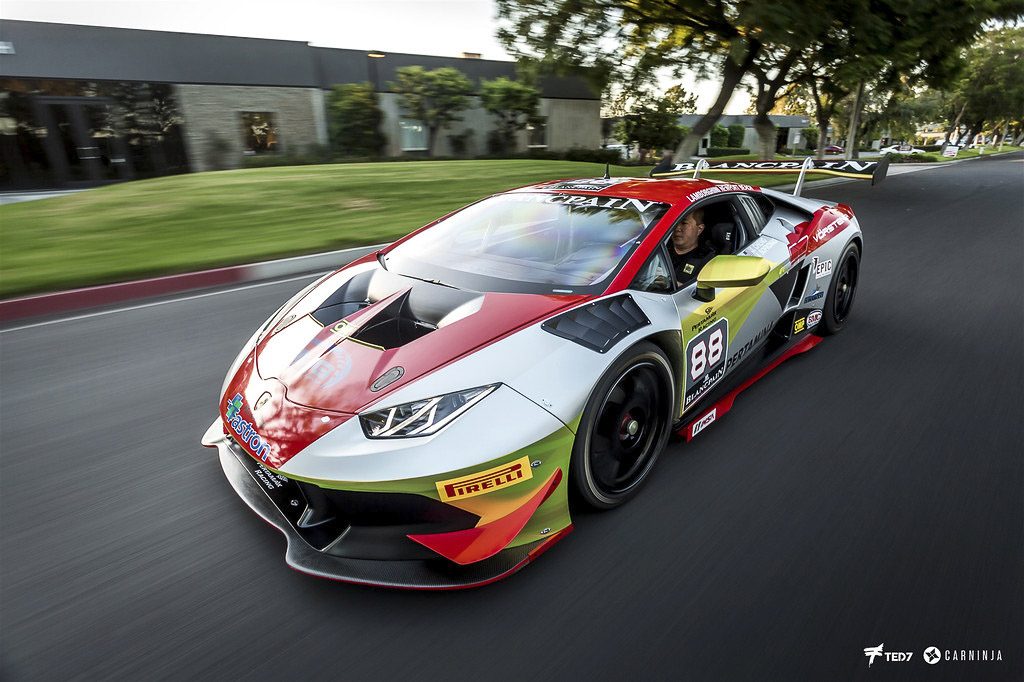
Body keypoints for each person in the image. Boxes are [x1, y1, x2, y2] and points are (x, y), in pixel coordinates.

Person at [669, 208, 716, 286]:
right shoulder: (659, 248)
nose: (677, 228)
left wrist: (671, 284)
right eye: (675, 222)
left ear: (699, 229)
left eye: (684, 223)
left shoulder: (707, 259)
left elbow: (703, 292)